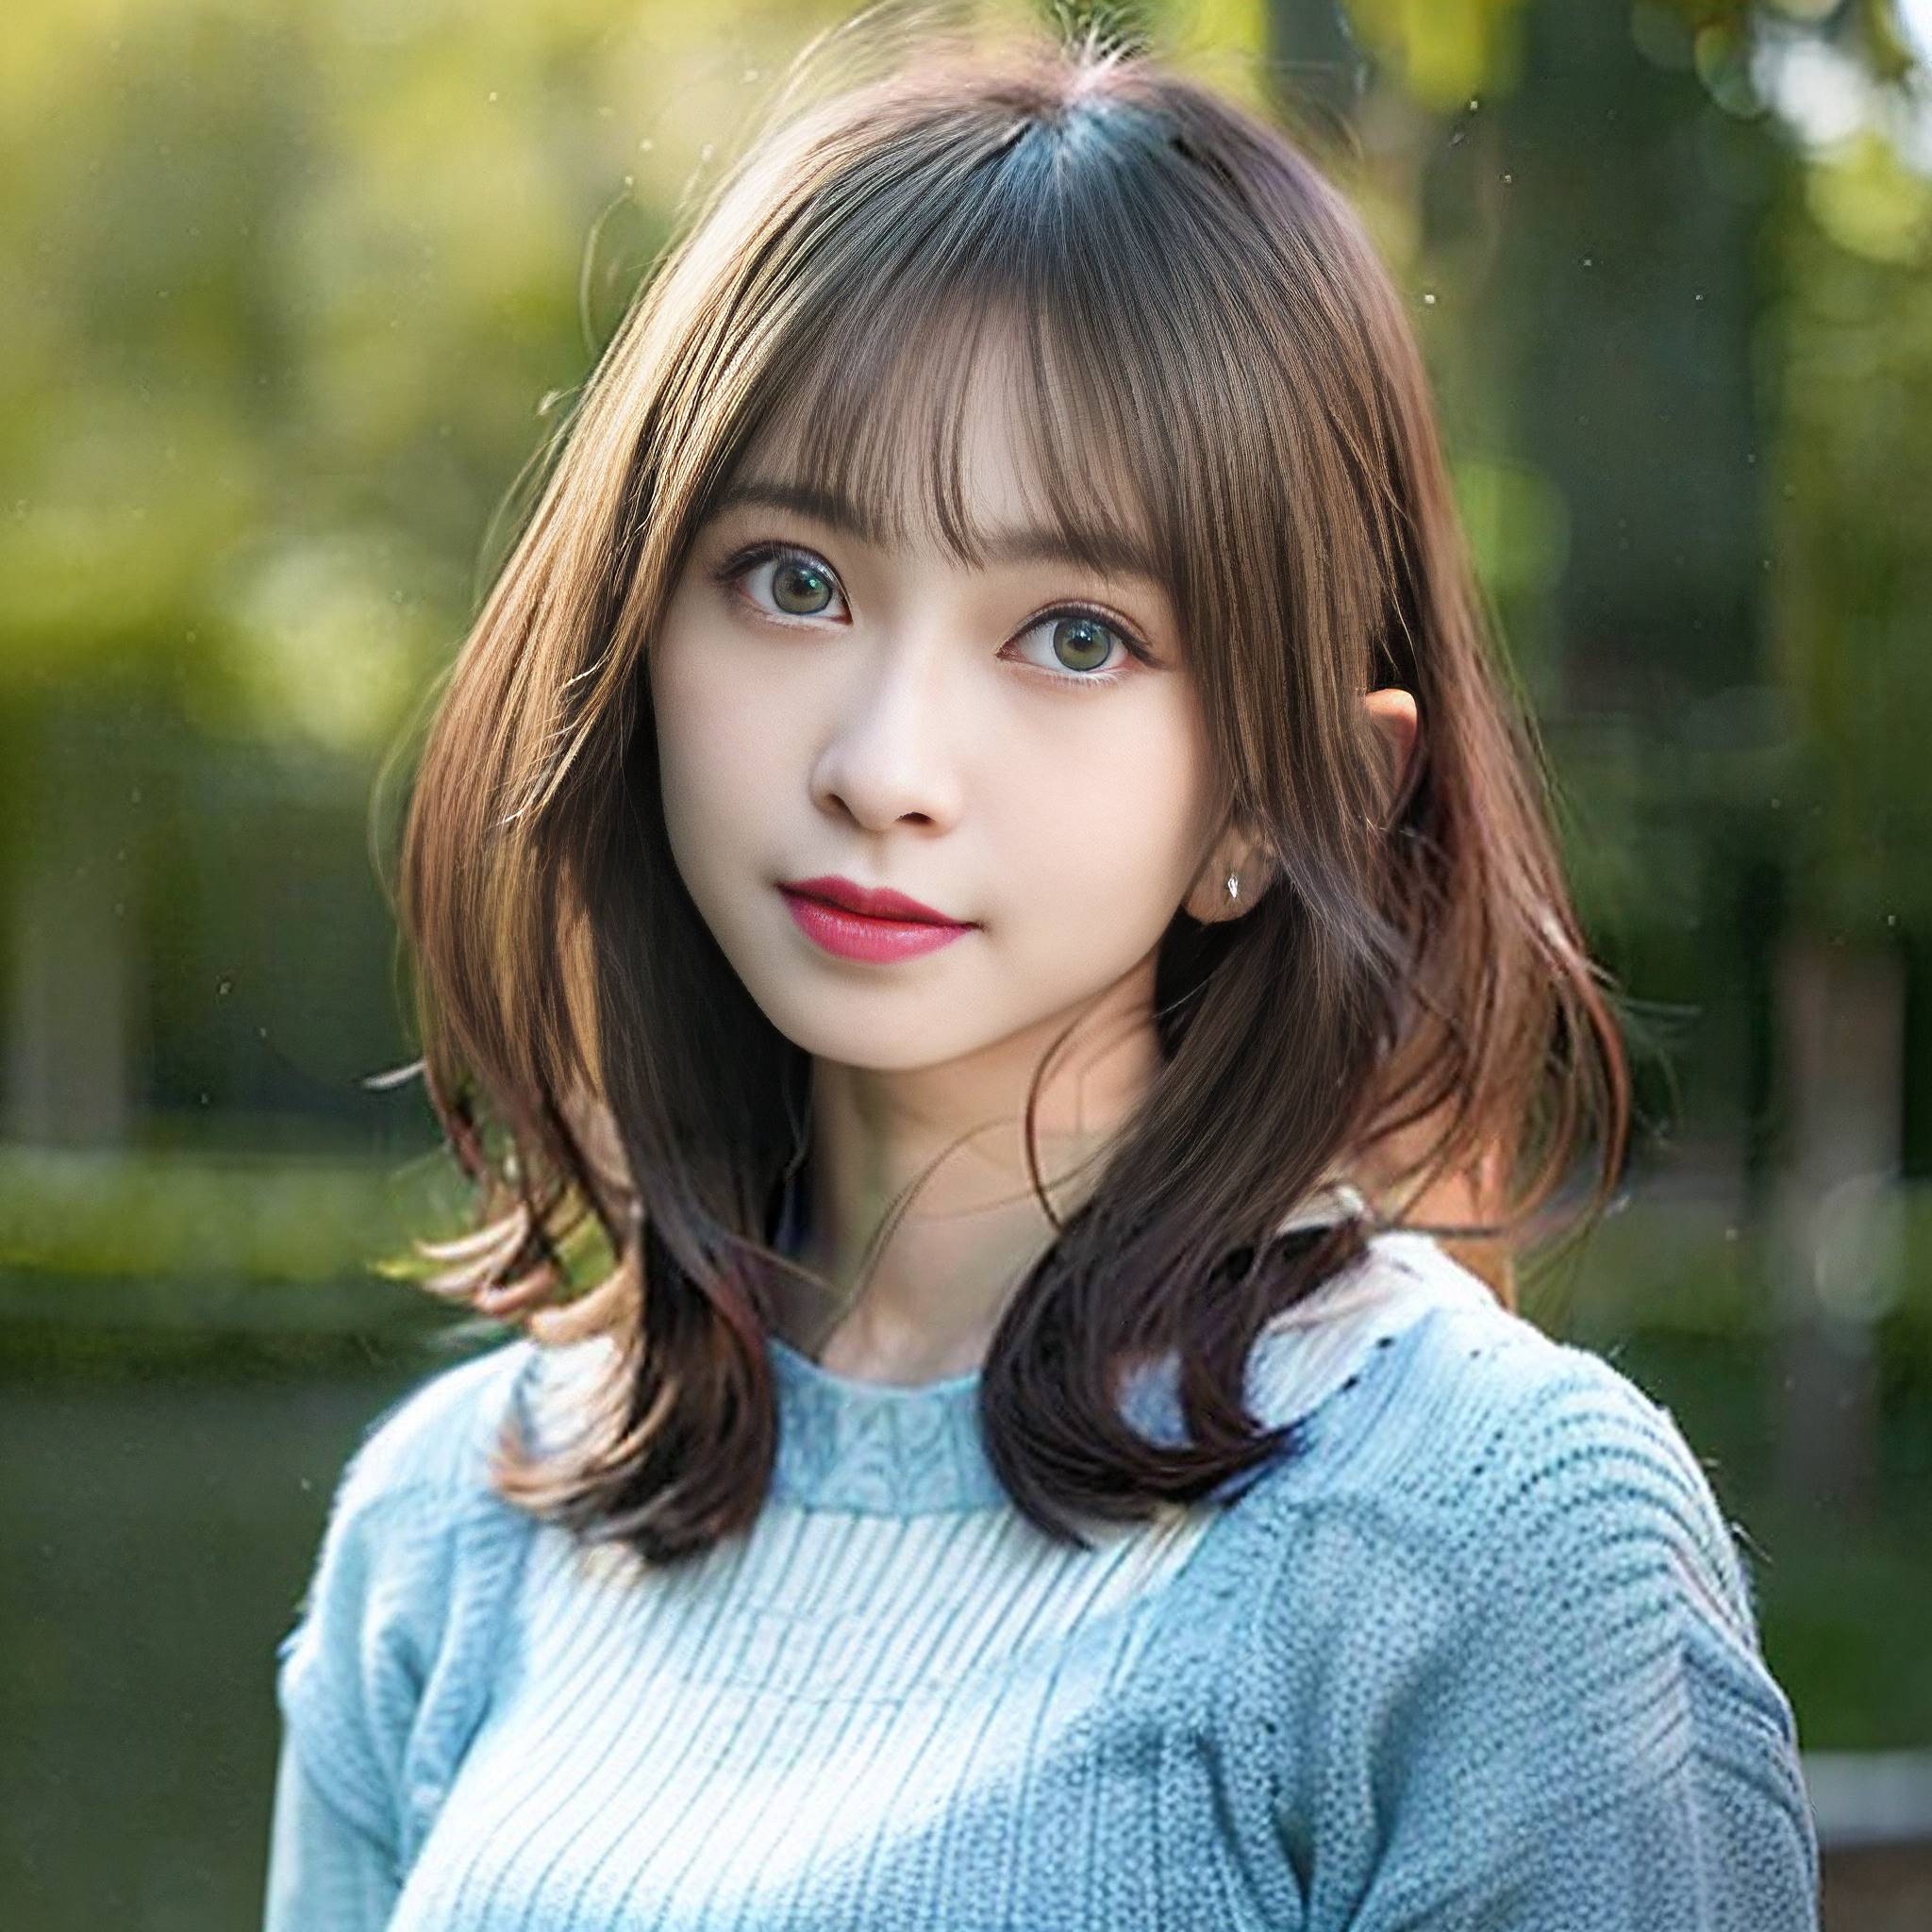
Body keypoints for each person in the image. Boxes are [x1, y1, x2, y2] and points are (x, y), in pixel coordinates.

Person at [262, 15, 1820, 1929]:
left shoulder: (1483, 1538)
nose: (883, 766)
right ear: (643, 628)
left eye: (1073, 634)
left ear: (1288, 791)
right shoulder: (455, 1530)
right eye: (794, 579)